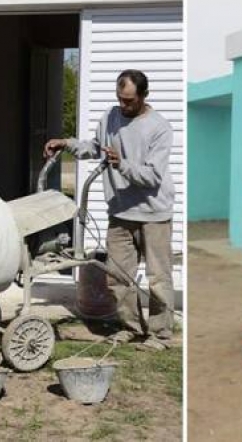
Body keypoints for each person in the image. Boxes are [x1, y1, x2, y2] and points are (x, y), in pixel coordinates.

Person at [44, 69, 175, 350]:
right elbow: (94, 147)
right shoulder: (110, 117)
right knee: (117, 278)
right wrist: (66, 144)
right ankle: (130, 328)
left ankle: (159, 335)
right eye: (120, 99)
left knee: (158, 279)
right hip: (120, 213)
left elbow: (152, 176)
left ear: (143, 96)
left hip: (154, 214)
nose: (123, 105)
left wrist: (122, 164)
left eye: (129, 100)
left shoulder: (159, 127)